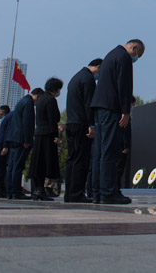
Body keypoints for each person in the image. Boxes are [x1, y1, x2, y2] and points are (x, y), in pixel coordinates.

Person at [90, 39, 144, 204]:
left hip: (100, 108)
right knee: (110, 151)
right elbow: (124, 85)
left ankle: (97, 192)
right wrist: (125, 111)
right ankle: (109, 192)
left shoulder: (111, 55)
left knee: (100, 152)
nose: (136, 58)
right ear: (134, 47)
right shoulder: (124, 57)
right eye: (138, 55)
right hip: (111, 109)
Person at [64, 59, 101, 203]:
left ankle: (69, 193)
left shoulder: (76, 77)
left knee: (72, 160)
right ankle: (77, 193)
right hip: (81, 124)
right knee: (81, 160)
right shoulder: (88, 79)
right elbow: (89, 104)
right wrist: (91, 125)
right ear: (98, 67)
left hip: (71, 123)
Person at [5, 88, 42, 200]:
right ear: (38, 96)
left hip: (14, 138)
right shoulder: (28, 103)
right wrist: (27, 140)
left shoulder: (22, 101)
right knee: (18, 166)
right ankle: (16, 191)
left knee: (11, 166)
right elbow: (27, 123)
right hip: (21, 139)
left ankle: (9, 191)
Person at [29, 78, 62, 201]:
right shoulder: (51, 100)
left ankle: (37, 189)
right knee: (46, 163)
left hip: (39, 134)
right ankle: (41, 191)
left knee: (38, 162)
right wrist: (56, 136)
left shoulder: (41, 99)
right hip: (48, 135)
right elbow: (53, 119)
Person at [0, 106, 13, 198]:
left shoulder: (7, 117)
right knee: (0, 167)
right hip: (1, 143)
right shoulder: (11, 117)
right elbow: (7, 132)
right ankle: (0, 189)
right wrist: (5, 146)